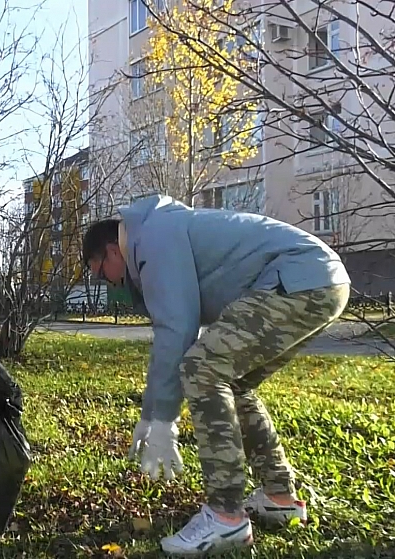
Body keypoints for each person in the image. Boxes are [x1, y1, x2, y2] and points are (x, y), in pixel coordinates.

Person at [81, 194, 351, 557]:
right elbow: (173, 329)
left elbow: (177, 330)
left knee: (202, 369)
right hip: (317, 279)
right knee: (233, 382)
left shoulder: (151, 238)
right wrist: (151, 415)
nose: (109, 283)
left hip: (300, 277)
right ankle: (278, 495)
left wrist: (163, 420)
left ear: (112, 250)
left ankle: (226, 518)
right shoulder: (157, 232)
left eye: (101, 273)